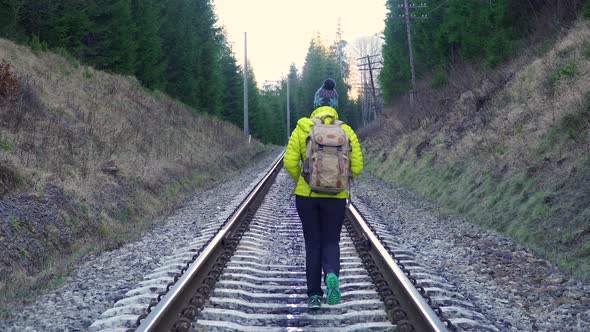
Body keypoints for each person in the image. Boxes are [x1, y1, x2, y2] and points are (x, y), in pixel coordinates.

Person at [284, 78, 364, 309]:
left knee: (312, 243)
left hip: (307, 197)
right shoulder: (346, 130)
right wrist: (341, 180)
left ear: (316, 103)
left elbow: (289, 162)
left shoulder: (303, 128)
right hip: (336, 198)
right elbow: (357, 165)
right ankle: (331, 274)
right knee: (331, 240)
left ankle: (314, 296)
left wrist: (303, 178)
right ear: (334, 105)